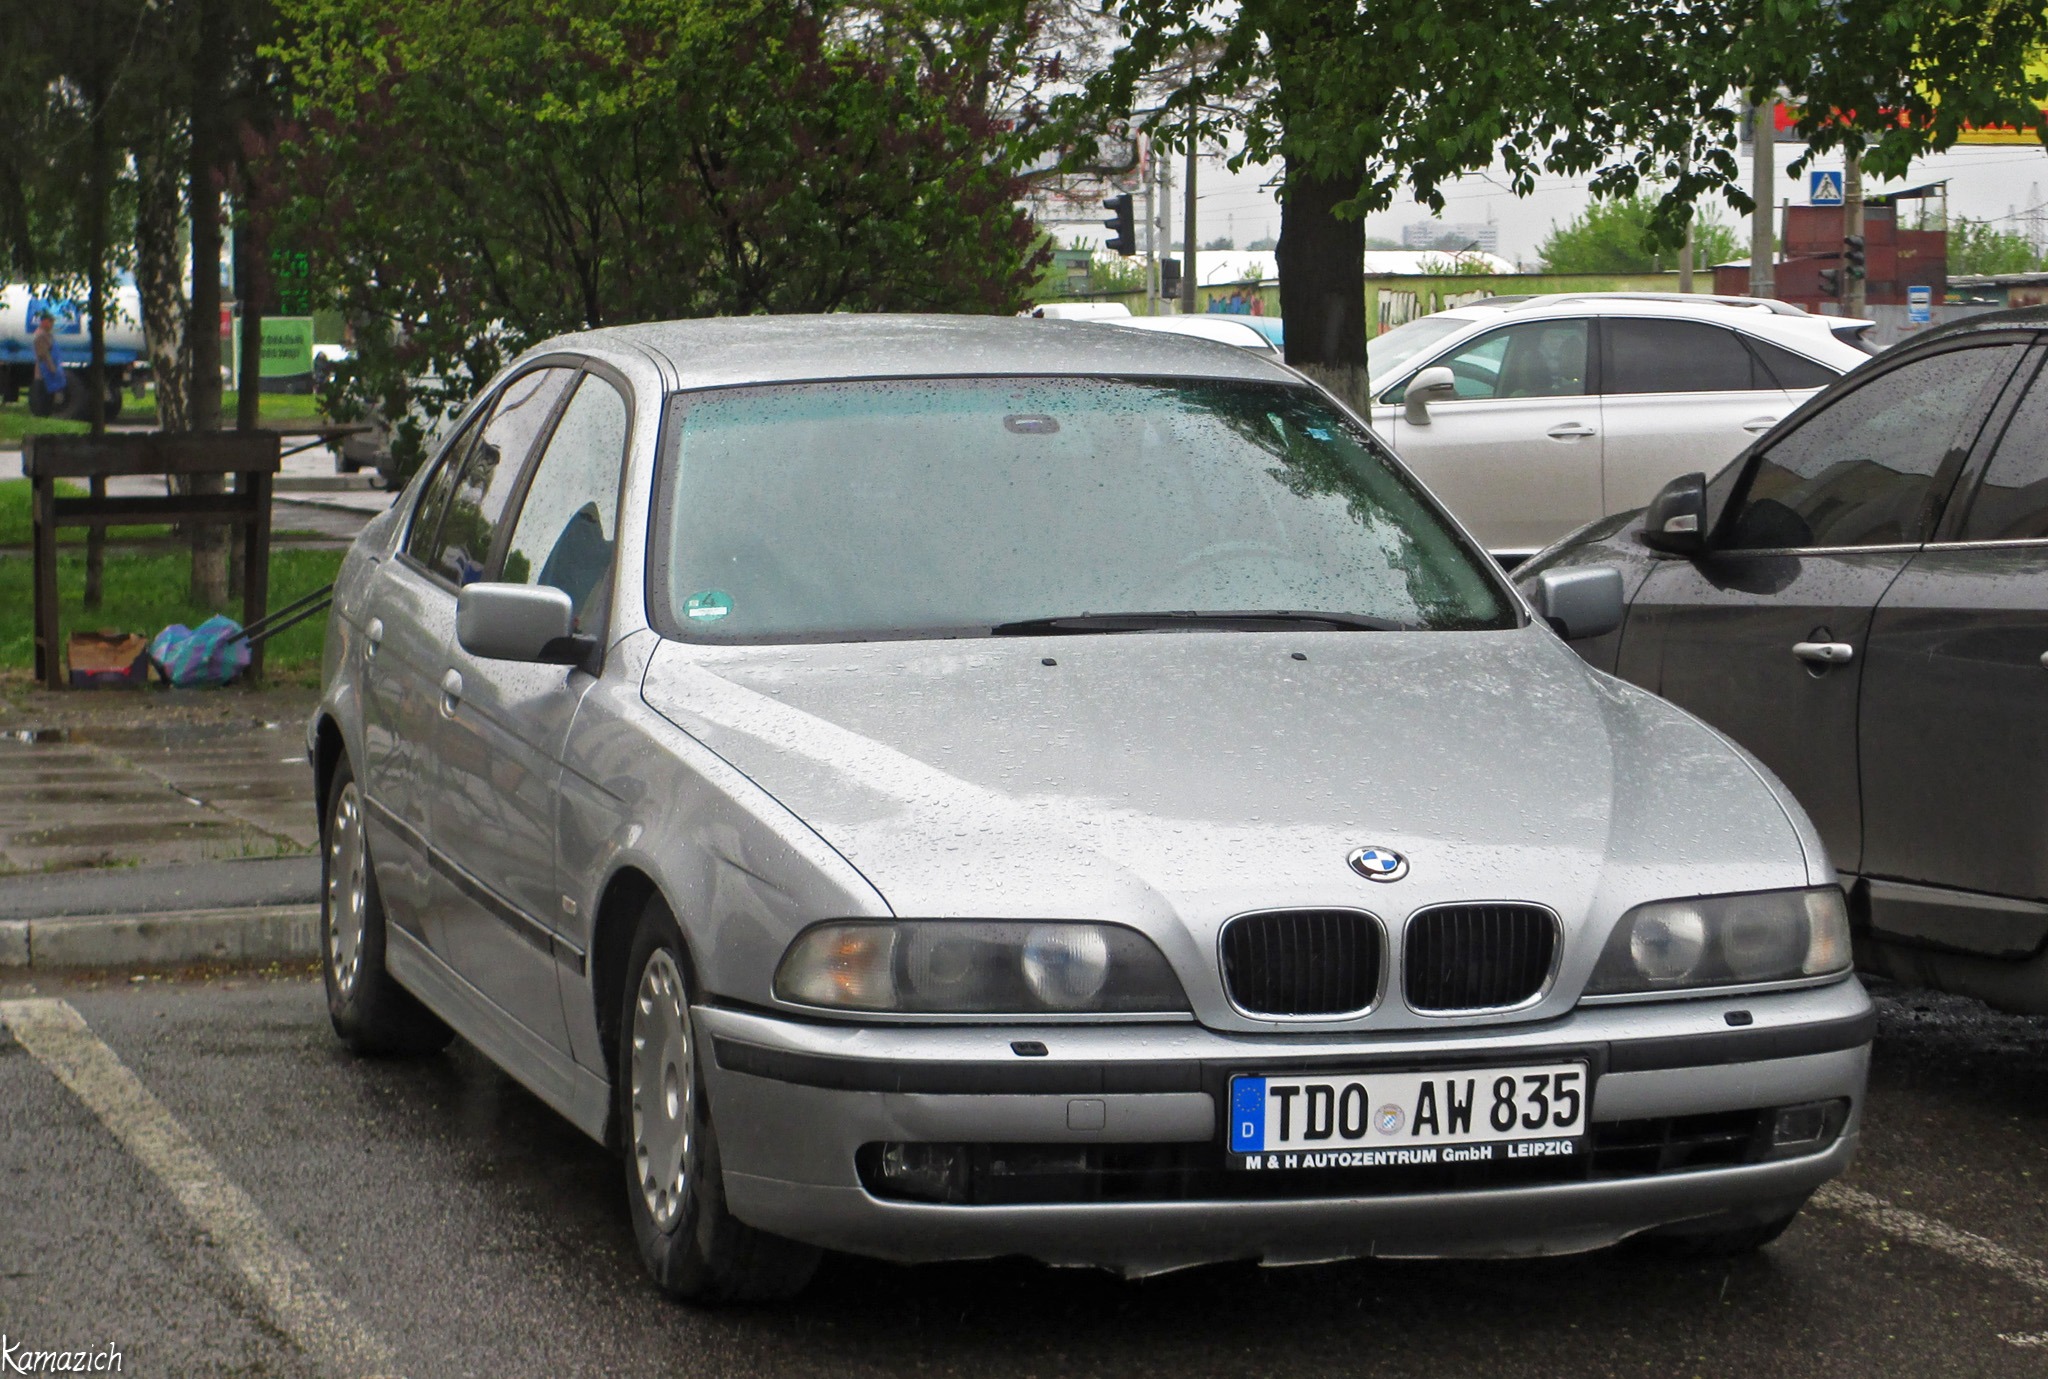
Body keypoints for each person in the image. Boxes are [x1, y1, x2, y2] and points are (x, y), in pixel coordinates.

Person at [30, 311, 68, 415]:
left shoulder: (48, 334)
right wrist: (53, 369)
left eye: (52, 322)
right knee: (44, 398)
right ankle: (42, 415)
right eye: (50, 321)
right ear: (44, 322)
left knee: (50, 397)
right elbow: (44, 355)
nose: (52, 324)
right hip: (44, 374)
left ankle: (48, 412)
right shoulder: (40, 335)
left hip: (51, 372)